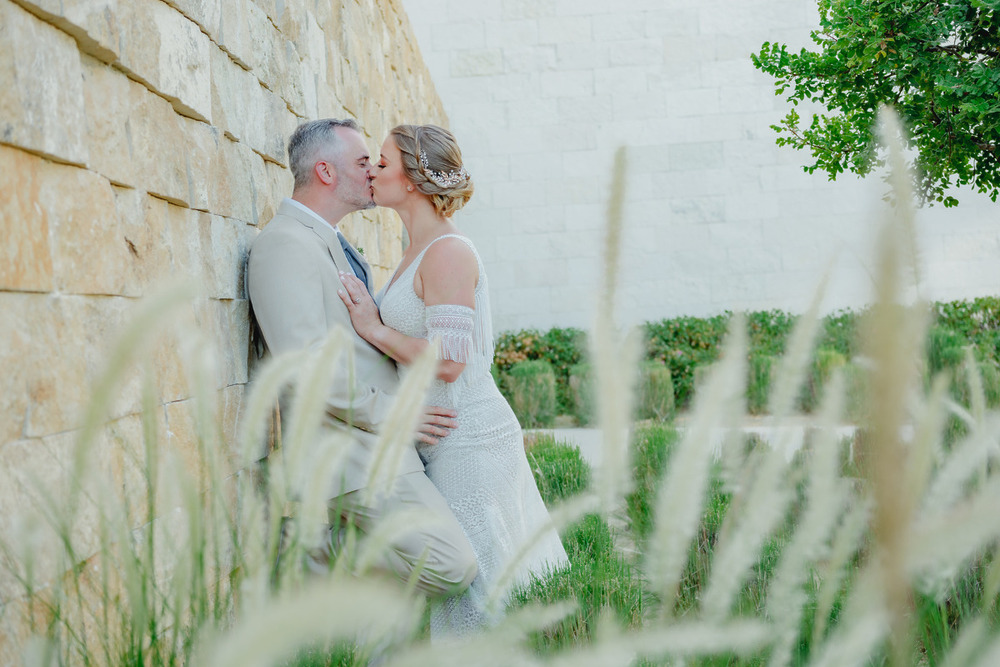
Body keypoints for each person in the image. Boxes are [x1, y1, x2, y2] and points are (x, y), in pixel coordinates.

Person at [337, 124, 569, 637]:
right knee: (458, 589)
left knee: (480, 591)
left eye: (382, 161)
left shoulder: (448, 251)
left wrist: (373, 327)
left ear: (414, 179)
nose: (372, 170)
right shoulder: (416, 250)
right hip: (439, 437)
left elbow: (449, 362)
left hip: (469, 442)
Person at [245, 118, 478, 597]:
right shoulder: (283, 245)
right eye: (361, 161)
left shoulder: (329, 240)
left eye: (378, 160)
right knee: (452, 564)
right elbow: (306, 369)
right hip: (352, 452)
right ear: (327, 172)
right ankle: (307, 554)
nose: (371, 169)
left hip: (382, 446)